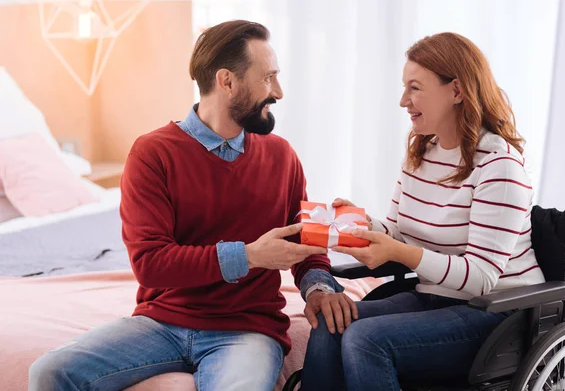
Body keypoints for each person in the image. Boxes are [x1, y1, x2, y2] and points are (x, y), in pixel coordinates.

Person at [28, 20, 353, 391]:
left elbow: (305, 242)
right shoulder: (153, 154)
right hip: (161, 324)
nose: (278, 91)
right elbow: (150, 264)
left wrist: (318, 287)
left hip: (246, 329)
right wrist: (249, 256)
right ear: (227, 81)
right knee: (49, 371)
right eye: (268, 78)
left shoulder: (282, 156)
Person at [300, 32, 545, 391]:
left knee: (366, 339)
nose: (403, 101)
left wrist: (399, 252)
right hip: (436, 299)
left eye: (415, 88)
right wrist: (363, 223)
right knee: (331, 321)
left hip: (496, 314)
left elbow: (481, 276)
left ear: (456, 91)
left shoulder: (499, 166)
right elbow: (400, 231)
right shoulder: (422, 155)